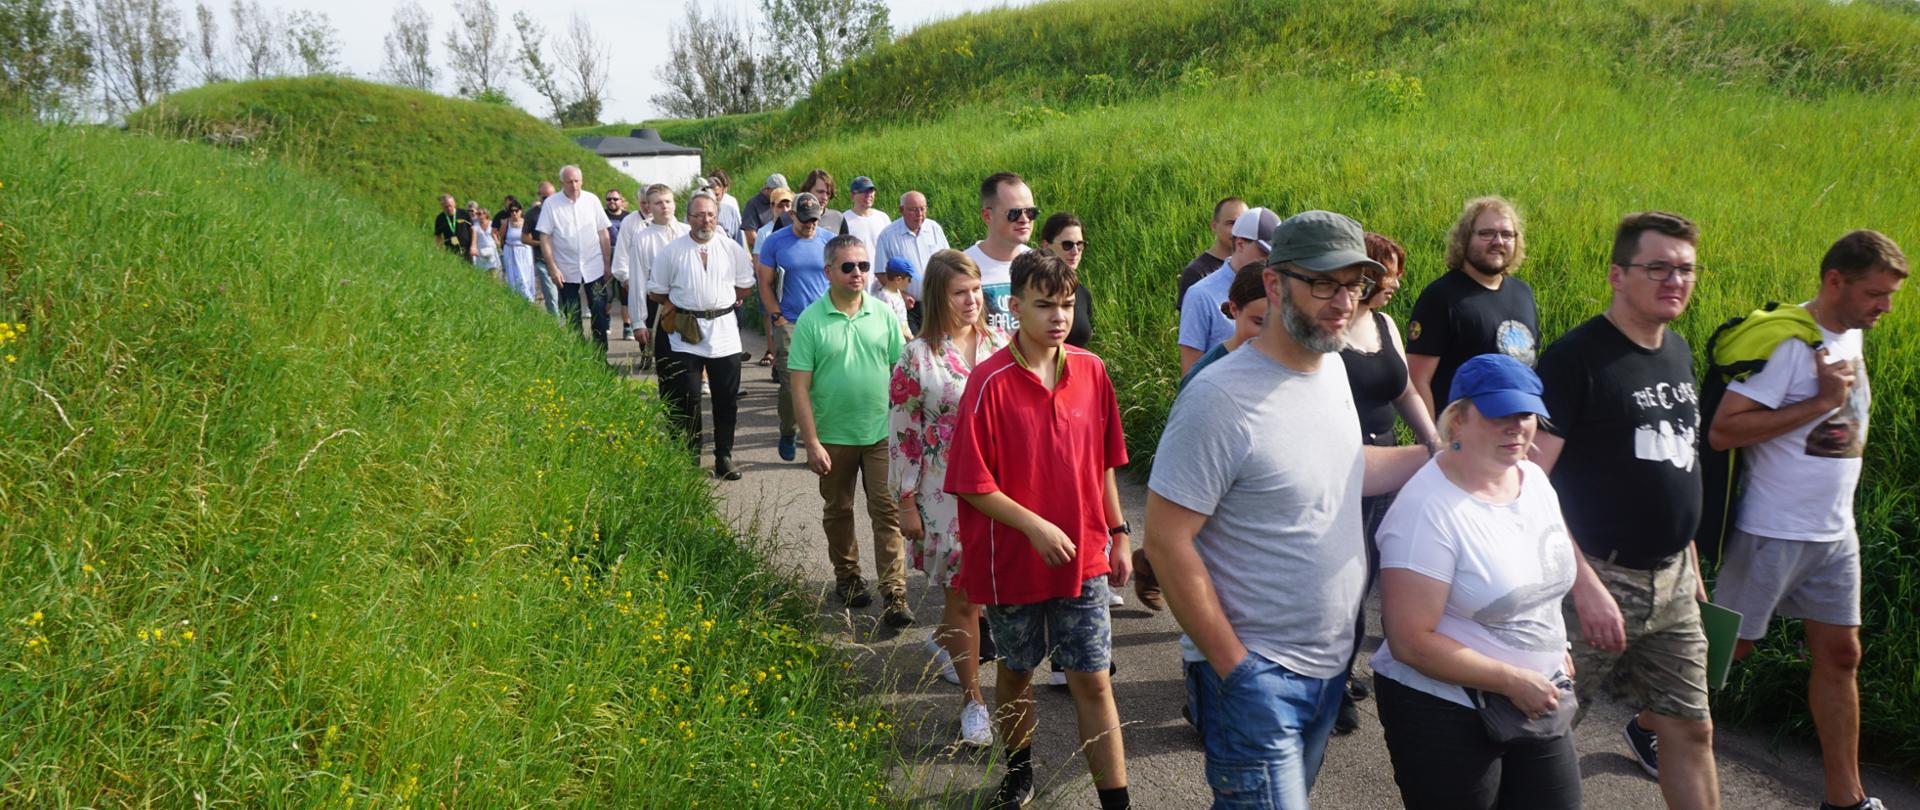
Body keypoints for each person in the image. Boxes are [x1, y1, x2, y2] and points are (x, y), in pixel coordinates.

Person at [1146, 210, 1427, 810]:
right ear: (1273, 285)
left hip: (1328, 669)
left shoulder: (1328, 370)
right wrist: (1237, 669)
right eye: (1324, 282)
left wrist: (1441, 457)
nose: (1343, 301)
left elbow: (1346, 467)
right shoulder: (1220, 397)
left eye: (1354, 283)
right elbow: (1167, 539)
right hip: (1258, 675)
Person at [1707, 231, 1906, 810]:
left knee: (1842, 654)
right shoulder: (1791, 345)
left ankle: (1846, 799)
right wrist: (1820, 402)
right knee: (1730, 650)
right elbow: (1724, 430)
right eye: (1876, 293)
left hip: (1834, 533)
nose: (1885, 307)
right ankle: (1649, 720)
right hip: (1772, 529)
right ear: (1834, 281)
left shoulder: (1849, 334)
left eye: (1890, 295)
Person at [1531, 211, 1719, 810]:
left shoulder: (1679, 349)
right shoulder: (1576, 359)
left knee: (1691, 729)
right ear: (1617, 274)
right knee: (1544, 730)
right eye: (1658, 267)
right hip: (1591, 578)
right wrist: (1583, 584)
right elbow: (1532, 481)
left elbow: (1679, 460)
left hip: (1674, 582)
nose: (1675, 281)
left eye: (1685, 269)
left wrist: (1689, 563)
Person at [945, 250, 1133, 810]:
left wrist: (1119, 530)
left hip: (1085, 557)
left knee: (1093, 679)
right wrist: (1034, 528)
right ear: (1015, 306)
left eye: (1067, 305)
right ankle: (1018, 769)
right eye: (1045, 305)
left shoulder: (1092, 370)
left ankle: (1117, 801)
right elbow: (971, 482)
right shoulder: (988, 382)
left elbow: (1103, 460)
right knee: (1016, 670)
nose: (1058, 317)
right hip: (1014, 560)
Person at [1369, 353, 1581, 810]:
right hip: (1442, 708)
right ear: (1458, 420)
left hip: (1536, 695)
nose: (1516, 426)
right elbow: (1410, 642)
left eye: (1525, 414)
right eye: (1499, 413)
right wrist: (1509, 678)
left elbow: (1541, 574)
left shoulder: (1534, 482)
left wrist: (1550, 643)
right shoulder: (1427, 510)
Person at [888, 248, 1010, 749]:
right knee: (964, 595)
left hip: (1003, 491)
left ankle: (948, 644)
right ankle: (974, 703)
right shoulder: (917, 357)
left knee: (991, 596)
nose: (972, 301)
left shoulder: (1004, 343)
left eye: (977, 290)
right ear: (939, 296)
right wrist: (905, 500)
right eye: (961, 292)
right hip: (944, 493)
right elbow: (902, 433)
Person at [1333, 231, 1443, 734]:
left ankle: (1343, 663)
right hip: (1340, 470)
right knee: (1340, 577)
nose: (1397, 283)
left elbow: (1404, 391)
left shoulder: (1384, 325)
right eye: (1389, 272)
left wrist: (1434, 443)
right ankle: (1328, 683)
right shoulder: (1329, 333)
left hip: (1388, 467)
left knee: (1367, 574)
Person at [790, 235, 911, 626]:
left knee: (887, 511)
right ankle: (849, 578)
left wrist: (905, 432)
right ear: (828, 272)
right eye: (847, 266)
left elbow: (901, 376)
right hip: (832, 438)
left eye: (862, 265)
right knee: (839, 510)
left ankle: (894, 592)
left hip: (880, 434)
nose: (857, 273)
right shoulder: (811, 320)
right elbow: (799, 387)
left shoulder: (883, 314)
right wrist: (811, 443)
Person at [648, 191, 757, 480]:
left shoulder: (730, 248)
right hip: (685, 331)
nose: (704, 220)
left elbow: (745, 286)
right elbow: (656, 290)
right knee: (688, 399)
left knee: (726, 398)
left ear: (716, 216)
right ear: (688, 217)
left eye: (709, 214)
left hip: (723, 331)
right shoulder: (672, 251)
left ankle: (724, 457)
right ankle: (689, 457)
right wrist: (688, 302)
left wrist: (717, 301)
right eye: (698, 215)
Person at [1407, 196, 1540, 418]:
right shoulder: (1441, 297)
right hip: (1462, 439)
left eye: (1507, 234)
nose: (1498, 241)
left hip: (1516, 435)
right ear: (1465, 238)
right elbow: (1417, 379)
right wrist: (1434, 442)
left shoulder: (1523, 293)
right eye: (1487, 233)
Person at [758, 192, 837, 462]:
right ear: (792, 215)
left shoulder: (829, 242)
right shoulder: (776, 242)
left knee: (823, 384)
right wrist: (777, 317)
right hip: (790, 321)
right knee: (793, 385)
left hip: (824, 322)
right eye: (804, 220)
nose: (809, 225)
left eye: (814, 220)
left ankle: (814, 445)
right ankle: (788, 430)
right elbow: (764, 284)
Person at [1179, 206, 1278, 374]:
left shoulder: (1280, 288)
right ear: (1240, 243)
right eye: (1263, 252)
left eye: (1275, 254)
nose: (1270, 260)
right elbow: (1190, 374)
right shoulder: (1201, 295)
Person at [612, 184, 691, 370]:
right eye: (658, 203)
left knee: (690, 356)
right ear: (648, 206)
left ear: (674, 204)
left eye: (668, 201)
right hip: (658, 302)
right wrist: (638, 321)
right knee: (666, 359)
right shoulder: (642, 238)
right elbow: (638, 281)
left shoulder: (687, 232)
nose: (664, 206)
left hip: (688, 302)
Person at [535, 165, 614, 352]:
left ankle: (600, 356)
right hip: (566, 269)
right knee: (572, 314)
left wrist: (607, 263)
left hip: (593, 267)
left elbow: (603, 233)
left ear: (582, 180)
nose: (574, 185)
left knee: (599, 312)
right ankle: (578, 355)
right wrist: (552, 268)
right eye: (569, 181)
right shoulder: (551, 204)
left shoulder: (591, 200)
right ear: (561, 182)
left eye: (577, 180)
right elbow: (545, 237)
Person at [964, 172, 1036, 335]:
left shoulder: (1039, 264)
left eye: (1031, 212)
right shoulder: (963, 267)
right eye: (1014, 213)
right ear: (987, 216)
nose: (1024, 219)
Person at [873, 189, 951, 333]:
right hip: (908, 306)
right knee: (913, 347)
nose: (919, 214)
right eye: (913, 210)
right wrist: (901, 295)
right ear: (901, 210)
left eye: (922, 209)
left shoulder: (934, 228)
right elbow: (881, 272)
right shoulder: (888, 235)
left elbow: (948, 261)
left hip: (936, 302)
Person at [1176, 196, 1247, 310]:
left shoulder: (1252, 266)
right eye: (1231, 223)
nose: (1237, 229)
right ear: (1214, 226)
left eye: (1242, 223)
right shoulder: (1196, 273)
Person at [1040, 212, 1096, 350]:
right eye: (1067, 245)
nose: (1075, 251)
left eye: (1080, 244)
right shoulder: (1034, 291)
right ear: (1046, 245)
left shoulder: (1083, 294)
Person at [524, 180, 562, 317]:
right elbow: (524, 238)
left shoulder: (561, 210)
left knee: (564, 296)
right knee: (551, 295)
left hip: (562, 259)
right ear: (539, 195)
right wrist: (542, 243)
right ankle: (557, 325)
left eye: (550, 197)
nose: (547, 200)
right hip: (542, 260)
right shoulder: (532, 214)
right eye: (544, 197)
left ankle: (566, 323)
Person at [604, 188, 633, 339]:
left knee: (626, 294)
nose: (612, 202)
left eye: (615, 199)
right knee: (608, 293)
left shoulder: (628, 217)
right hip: (607, 255)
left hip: (624, 256)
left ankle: (627, 327)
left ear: (621, 200)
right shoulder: (602, 215)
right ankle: (607, 319)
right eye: (609, 199)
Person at [497, 202, 536, 303]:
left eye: (516, 211)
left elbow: (530, 237)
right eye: (512, 211)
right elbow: (501, 237)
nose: (514, 213)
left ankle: (529, 298)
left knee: (525, 275)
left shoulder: (526, 222)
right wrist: (503, 247)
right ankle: (517, 298)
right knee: (514, 275)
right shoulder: (506, 223)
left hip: (524, 251)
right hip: (510, 251)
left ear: (520, 211)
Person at [842, 175, 891, 253]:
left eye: (871, 191)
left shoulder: (883, 218)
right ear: (852, 195)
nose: (868, 195)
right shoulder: (844, 220)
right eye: (863, 191)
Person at [740, 172, 786, 253]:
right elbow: (751, 237)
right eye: (777, 191)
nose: (781, 194)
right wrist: (770, 251)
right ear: (768, 189)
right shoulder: (753, 204)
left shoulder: (785, 204)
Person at [875, 256, 915, 342]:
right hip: (894, 342)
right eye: (909, 280)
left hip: (903, 340)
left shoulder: (897, 291)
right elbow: (890, 324)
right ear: (898, 280)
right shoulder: (885, 298)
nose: (910, 283)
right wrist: (910, 339)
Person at [798, 168, 846, 235]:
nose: (825, 198)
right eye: (820, 192)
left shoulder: (838, 218)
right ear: (807, 190)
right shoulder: (789, 218)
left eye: (828, 193)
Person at [708, 170, 742, 244]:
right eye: (710, 193)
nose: (713, 197)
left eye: (716, 194)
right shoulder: (697, 206)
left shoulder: (731, 205)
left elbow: (739, 234)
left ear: (724, 189)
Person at [469, 206, 500, 275]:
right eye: (477, 214)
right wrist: (473, 248)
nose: (478, 215)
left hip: (492, 251)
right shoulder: (475, 227)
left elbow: (497, 236)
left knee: (494, 272)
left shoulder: (493, 224)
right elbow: (474, 239)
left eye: (480, 213)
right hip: (481, 252)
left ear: (486, 214)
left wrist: (498, 243)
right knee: (483, 273)